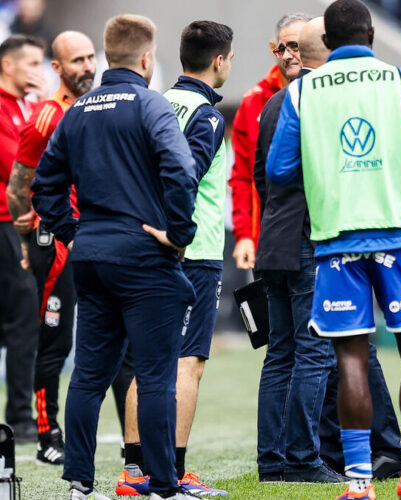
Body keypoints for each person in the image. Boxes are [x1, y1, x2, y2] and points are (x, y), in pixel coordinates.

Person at [266, 1, 401, 499]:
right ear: (371, 32)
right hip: (397, 235)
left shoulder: (302, 90)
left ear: (326, 39)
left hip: (335, 239)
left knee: (351, 360)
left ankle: (359, 481)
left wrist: (330, 166)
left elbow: (279, 172)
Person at [31, 14, 198, 500]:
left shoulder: (78, 110)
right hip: (146, 257)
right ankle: (165, 485)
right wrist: (179, 233)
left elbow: (45, 187)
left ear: (107, 56)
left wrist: (74, 234)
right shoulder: (151, 104)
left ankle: (80, 483)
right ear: (147, 58)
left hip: (92, 256)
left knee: (88, 374)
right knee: (154, 377)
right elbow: (181, 170)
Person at [116, 20, 233, 497]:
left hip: (143, 247)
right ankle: (177, 472)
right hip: (193, 251)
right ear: (220, 61)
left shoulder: (155, 102)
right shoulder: (205, 114)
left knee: (148, 363)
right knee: (188, 364)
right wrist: (175, 233)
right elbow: (184, 173)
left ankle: (133, 471)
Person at [250, 14, 344, 484]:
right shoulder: (324, 98)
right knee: (314, 354)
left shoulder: (273, 103)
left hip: (275, 240)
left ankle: (272, 462)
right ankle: (303, 460)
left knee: (280, 354)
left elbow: (261, 178)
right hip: (311, 240)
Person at [5, 30, 96, 466]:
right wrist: (27, 241)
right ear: (56, 68)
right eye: (76, 60)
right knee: (54, 341)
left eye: (90, 57)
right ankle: (47, 433)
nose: (87, 67)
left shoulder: (99, 107)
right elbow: (18, 186)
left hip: (101, 238)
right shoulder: (46, 115)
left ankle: (135, 448)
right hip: (57, 244)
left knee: (113, 343)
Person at [0, 33, 47, 445]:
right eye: (32, 63)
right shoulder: (4, 108)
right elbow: (15, 164)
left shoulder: (29, 108)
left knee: (24, 322)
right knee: (21, 322)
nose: (39, 70)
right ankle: (19, 418)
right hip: (6, 225)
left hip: (23, 224)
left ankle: (20, 415)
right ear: (9, 65)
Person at [228, 15, 300, 270]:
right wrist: (244, 235)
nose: (290, 54)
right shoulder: (253, 102)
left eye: (299, 46)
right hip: (267, 243)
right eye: (285, 47)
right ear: (274, 50)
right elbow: (241, 176)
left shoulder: (329, 96)